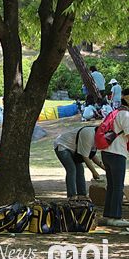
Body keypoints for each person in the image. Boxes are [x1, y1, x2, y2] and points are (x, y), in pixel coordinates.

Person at [101, 89, 129, 227]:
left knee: (112, 185)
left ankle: (109, 216)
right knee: (118, 186)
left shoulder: (115, 112)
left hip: (106, 152)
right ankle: (116, 217)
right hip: (117, 153)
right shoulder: (126, 115)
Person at [53, 126, 105, 199]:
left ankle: (82, 195)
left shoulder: (96, 138)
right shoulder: (89, 135)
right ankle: (71, 196)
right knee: (72, 169)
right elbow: (85, 157)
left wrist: (104, 168)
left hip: (75, 150)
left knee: (80, 170)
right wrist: (94, 172)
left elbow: (92, 155)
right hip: (62, 145)